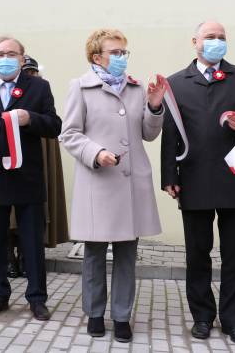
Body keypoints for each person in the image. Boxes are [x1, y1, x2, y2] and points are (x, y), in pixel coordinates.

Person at [161, 21, 235, 346]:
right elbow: (171, 132)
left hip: (234, 178)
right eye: (210, 37)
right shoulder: (176, 82)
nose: (216, 42)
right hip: (193, 178)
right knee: (198, 253)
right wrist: (169, 176)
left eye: (221, 37)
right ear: (195, 41)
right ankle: (203, 316)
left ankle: (234, 321)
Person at [61, 29, 166, 343]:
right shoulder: (80, 87)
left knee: (126, 255)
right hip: (98, 183)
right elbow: (69, 134)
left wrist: (155, 107)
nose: (122, 57)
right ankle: (95, 314)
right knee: (94, 254)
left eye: (124, 52)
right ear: (97, 57)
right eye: (115, 52)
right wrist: (97, 153)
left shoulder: (135, 88)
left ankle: (121, 317)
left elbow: (148, 133)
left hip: (131, 184)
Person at [0, 37, 61, 321]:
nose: (4, 58)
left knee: (32, 243)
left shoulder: (38, 87)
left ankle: (37, 298)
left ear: (22, 58)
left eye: (10, 53)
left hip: (27, 177)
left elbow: (55, 126)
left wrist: (29, 118)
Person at [6, 56, 68, 279]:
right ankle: (10, 258)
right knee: (8, 214)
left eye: (33, 73)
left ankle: (25, 256)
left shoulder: (42, 98)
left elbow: (53, 125)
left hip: (33, 170)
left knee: (31, 215)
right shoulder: (4, 98)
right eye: (27, 72)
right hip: (9, 169)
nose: (29, 77)